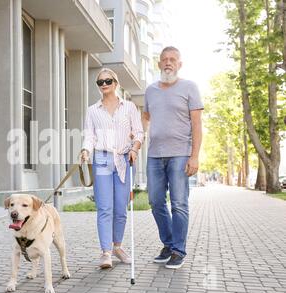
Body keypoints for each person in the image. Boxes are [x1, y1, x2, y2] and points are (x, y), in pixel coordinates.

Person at [143, 47, 204, 269]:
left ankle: (178, 250)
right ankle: (169, 244)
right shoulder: (150, 91)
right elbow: (146, 118)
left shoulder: (189, 87)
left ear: (179, 64)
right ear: (158, 64)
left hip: (180, 154)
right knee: (155, 201)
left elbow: (197, 124)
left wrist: (194, 156)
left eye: (172, 60)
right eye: (164, 60)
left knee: (179, 204)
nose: (168, 63)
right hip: (154, 155)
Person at [81, 68, 144, 269]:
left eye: (108, 80)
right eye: (100, 82)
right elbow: (89, 135)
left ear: (116, 83)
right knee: (105, 208)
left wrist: (135, 148)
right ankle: (106, 252)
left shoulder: (130, 107)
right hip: (101, 159)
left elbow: (139, 132)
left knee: (120, 209)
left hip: (124, 159)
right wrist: (85, 150)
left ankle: (118, 247)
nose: (104, 84)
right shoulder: (92, 110)